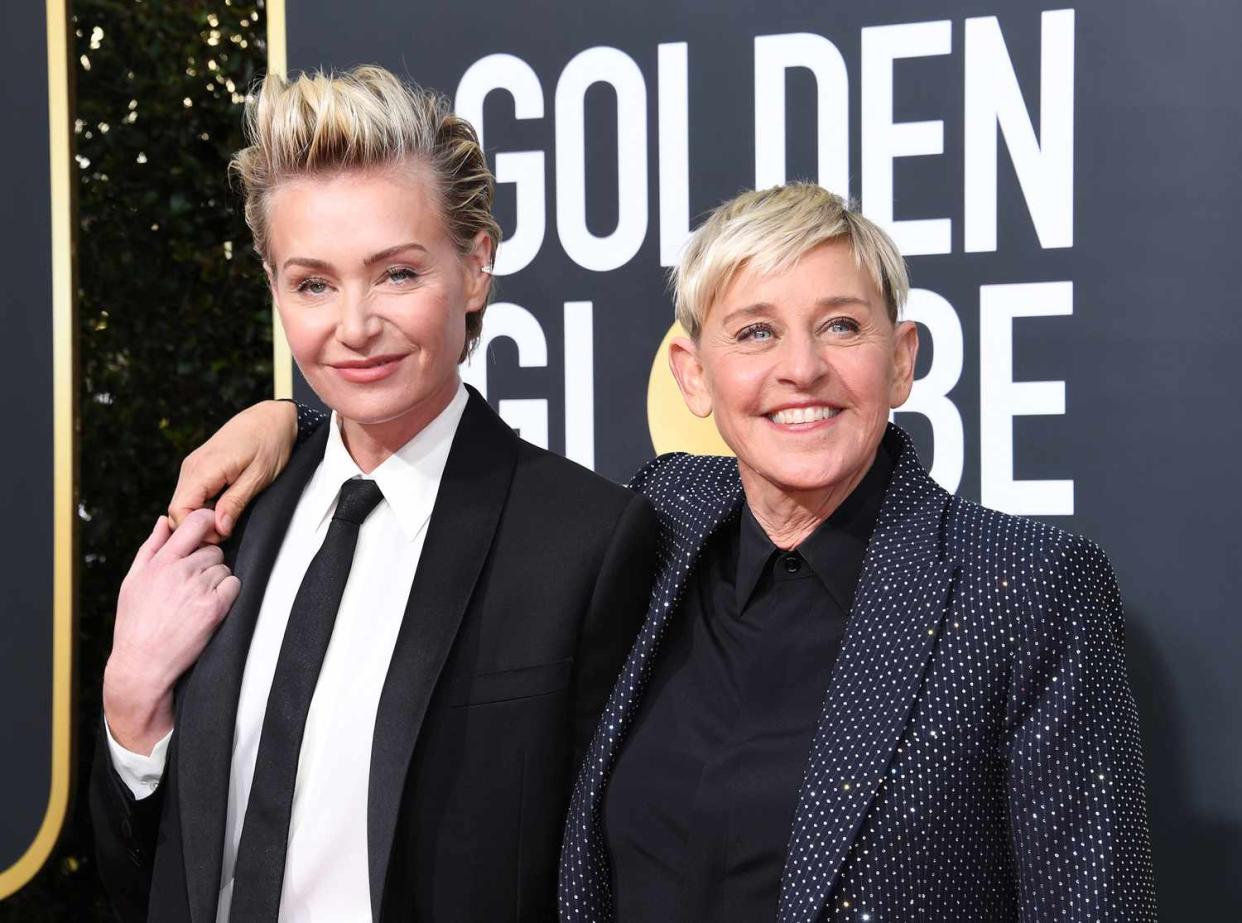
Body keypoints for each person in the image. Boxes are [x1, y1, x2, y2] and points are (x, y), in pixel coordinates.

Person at [171, 184, 1157, 921]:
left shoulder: (1024, 589)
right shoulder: (658, 521)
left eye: (841, 327)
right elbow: (457, 454)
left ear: (901, 358)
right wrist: (291, 422)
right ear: (694, 373)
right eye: (756, 331)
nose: (799, 369)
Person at [91, 66, 656, 923]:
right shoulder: (232, 515)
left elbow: (616, 873)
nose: (354, 326)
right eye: (313, 283)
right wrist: (131, 716)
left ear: (474, 267)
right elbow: (146, 875)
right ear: (274, 286)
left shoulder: (585, 539)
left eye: (396, 273)